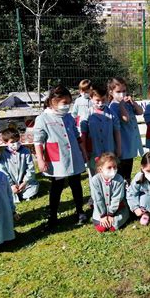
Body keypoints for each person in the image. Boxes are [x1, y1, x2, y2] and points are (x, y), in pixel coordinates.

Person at [33, 85, 88, 229]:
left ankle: (80, 211)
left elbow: (77, 136)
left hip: (73, 156)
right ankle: (53, 215)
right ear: (53, 101)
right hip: (57, 158)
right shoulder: (43, 118)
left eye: (68, 103)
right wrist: (40, 159)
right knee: (57, 186)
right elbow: (38, 141)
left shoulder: (68, 116)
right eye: (64, 103)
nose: (66, 107)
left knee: (76, 183)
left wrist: (83, 151)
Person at [108, 77, 144, 183]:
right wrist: (121, 105)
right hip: (122, 144)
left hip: (131, 143)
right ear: (111, 92)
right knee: (121, 170)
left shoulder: (128, 103)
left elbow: (140, 112)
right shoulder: (114, 106)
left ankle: (127, 184)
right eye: (118, 92)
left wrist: (133, 102)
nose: (122, 94)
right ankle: (122, 189)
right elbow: (126, 119)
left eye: (124, 91)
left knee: (129, 167)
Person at [81, 82, 121, 174]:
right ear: (91, 98)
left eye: (103, 100)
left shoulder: (111, 114)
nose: (100, 103)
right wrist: (84, 151)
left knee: (111, 175)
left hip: (109, 150)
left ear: (107, 98)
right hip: (94, 152)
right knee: (95, 177)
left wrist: (119, 148)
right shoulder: (87, 114)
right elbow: (83, 134)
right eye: (97, 100)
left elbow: (117, 131)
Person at [89, 152, 129, 232]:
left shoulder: (119, 179)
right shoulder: (95, 180)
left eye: (115, 167)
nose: (113, 170)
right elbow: (98, 199)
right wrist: (103, 215)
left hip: (117, 208)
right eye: (109, 167)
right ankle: (102, 218)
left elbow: (117, 198)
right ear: (100, 169)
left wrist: (111, 214)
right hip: (100, 209)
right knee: (101, 228)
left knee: (113, 226)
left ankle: (117, 219)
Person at [0, 127, 39, 203]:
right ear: (5, 142)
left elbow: (30, 167)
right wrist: (11, 184)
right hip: (11, 184)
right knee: (5, 190)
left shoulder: (25, 151)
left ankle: (26, 194)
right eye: (12, 142)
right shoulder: (3, 155)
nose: (15, 144)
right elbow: (3, 170)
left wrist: (25, 182)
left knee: (33, 187)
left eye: (17, 141)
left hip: (25, 183)